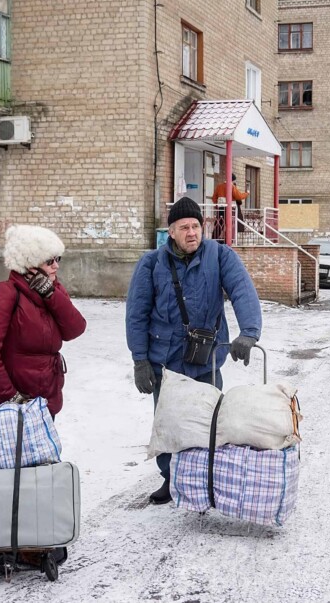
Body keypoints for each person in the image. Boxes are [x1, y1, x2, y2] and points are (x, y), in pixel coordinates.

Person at [125, 197, 262, 505]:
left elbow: (242, 289)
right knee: (169, 422)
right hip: (166, 360)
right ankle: (170, 479)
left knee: (208, 420)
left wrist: (249, 332)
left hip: (207, 356)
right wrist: (140, 360)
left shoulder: (220, 255)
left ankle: (205, 478)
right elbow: (137, 314)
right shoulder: (151, 264)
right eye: (184, 227)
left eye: (196, 226)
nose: (192, 233)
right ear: (171, 232)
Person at [0, 224, 87, 420]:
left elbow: (75, 329)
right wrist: (9, 397)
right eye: (49, 261)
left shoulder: (53, 289)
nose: (56, 266)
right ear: (29, 264)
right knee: (15, 452)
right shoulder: (7, 293)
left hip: (43, 401)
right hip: (10, 407)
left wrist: (51, 295)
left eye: (58, 259)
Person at [211, 173, 248, 239]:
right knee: (230, 225)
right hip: (230, 209)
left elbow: (214, 197)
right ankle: (229, 240)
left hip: (221, 208)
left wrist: (216, 204)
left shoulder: (219, 186)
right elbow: (239, 196)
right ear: (233, 180)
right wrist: (247, 193)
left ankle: (214, 238)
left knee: (219, 224)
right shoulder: (232, 187)